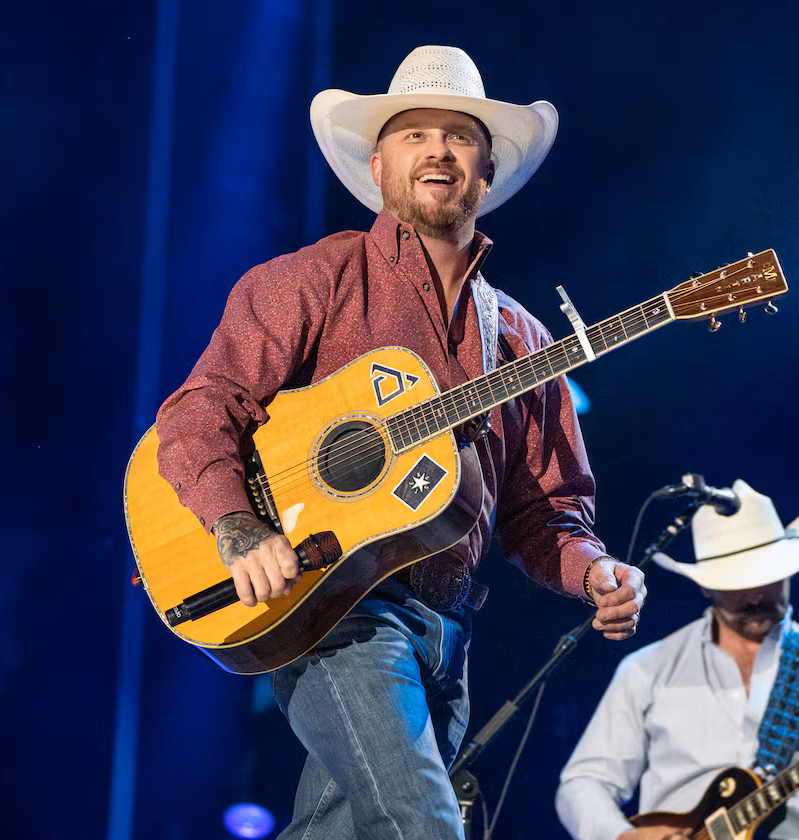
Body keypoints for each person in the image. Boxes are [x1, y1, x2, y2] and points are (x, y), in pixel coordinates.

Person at [154, 45, 647, 840]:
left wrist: (596, 573)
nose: (438, 151)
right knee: (423, 826)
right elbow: (196, 410)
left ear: (487, 168)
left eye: (458, 135)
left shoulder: (521, 339)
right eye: (415, 135)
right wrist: (238, 525)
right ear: (379, 165)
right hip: (339, 611)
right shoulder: (316, 280)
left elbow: (545, 513)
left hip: (446, 637)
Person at [555, 480, 799, 840]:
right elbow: (583, 784)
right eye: (738, 583)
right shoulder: (647, 670)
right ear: (705, 585)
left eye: (767, 578)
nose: (755, 595)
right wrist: (626, 837)